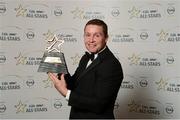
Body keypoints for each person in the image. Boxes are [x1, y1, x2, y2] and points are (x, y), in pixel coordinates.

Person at [48, 19, 123, 119]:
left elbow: (98, 104)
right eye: (88, 35)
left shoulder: (111, 64)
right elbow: (74, 85)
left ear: (106, 38)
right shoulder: (85, 58)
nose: (91, 40)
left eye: (97, 35)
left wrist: (66, 93)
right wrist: (60, 68)